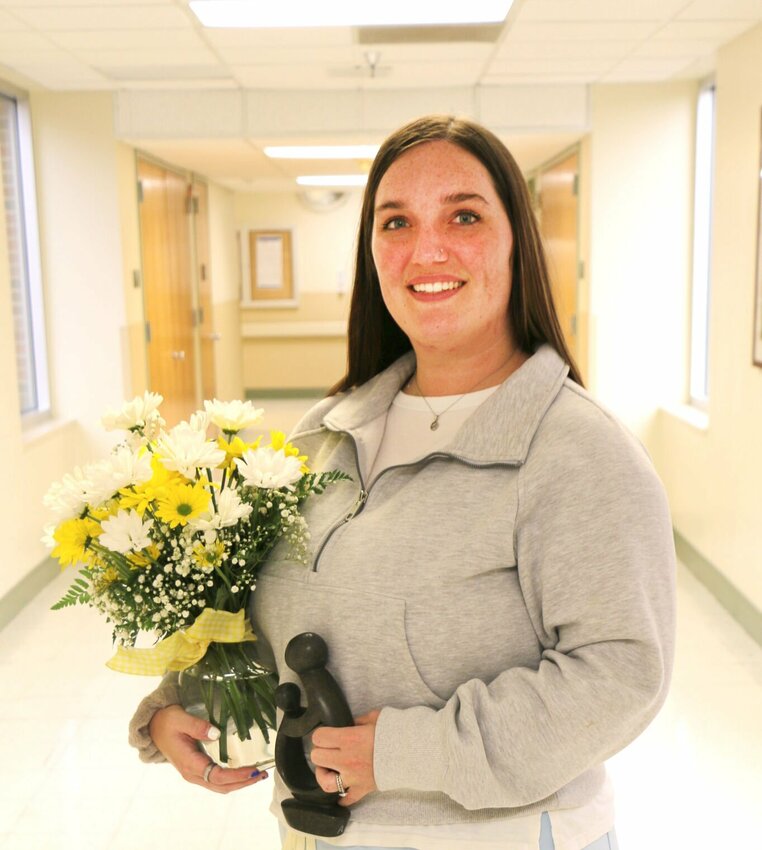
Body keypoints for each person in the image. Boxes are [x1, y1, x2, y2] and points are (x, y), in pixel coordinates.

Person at [130, 115, 676, 850]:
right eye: (396, 222)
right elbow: (284, 618)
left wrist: (407, 752)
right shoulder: (328, 430)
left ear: (516, 240)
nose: (427, 248)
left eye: (464, 215)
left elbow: (620, 675)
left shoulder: (576, 451)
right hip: (321, 832)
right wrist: (185, 703)